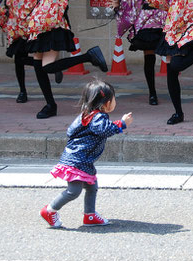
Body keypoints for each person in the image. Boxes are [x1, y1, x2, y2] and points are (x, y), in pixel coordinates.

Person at [26, 0, 108, 119]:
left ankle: (89, 56)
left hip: (54, 27)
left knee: (46, 67)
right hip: (39, 28)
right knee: (37, 65)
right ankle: (50, 104)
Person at [40, 79, 132, 228]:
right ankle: (49, 210)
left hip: (81, 159)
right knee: (74, 191)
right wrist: (121, 123)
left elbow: (75, 130)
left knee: (91, 185)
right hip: (78, 160)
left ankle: (90, 215)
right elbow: (104, 130)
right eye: (114, 99)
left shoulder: (88, 114)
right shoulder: (98, 117)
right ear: (105, 103)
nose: (115, 102)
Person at [111, 0, 168, 106]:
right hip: (146, 21)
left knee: (170, 56)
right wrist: (119, 4)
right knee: (148, 56)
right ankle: (152, 93)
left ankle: (172, 88)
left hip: (164, 19)